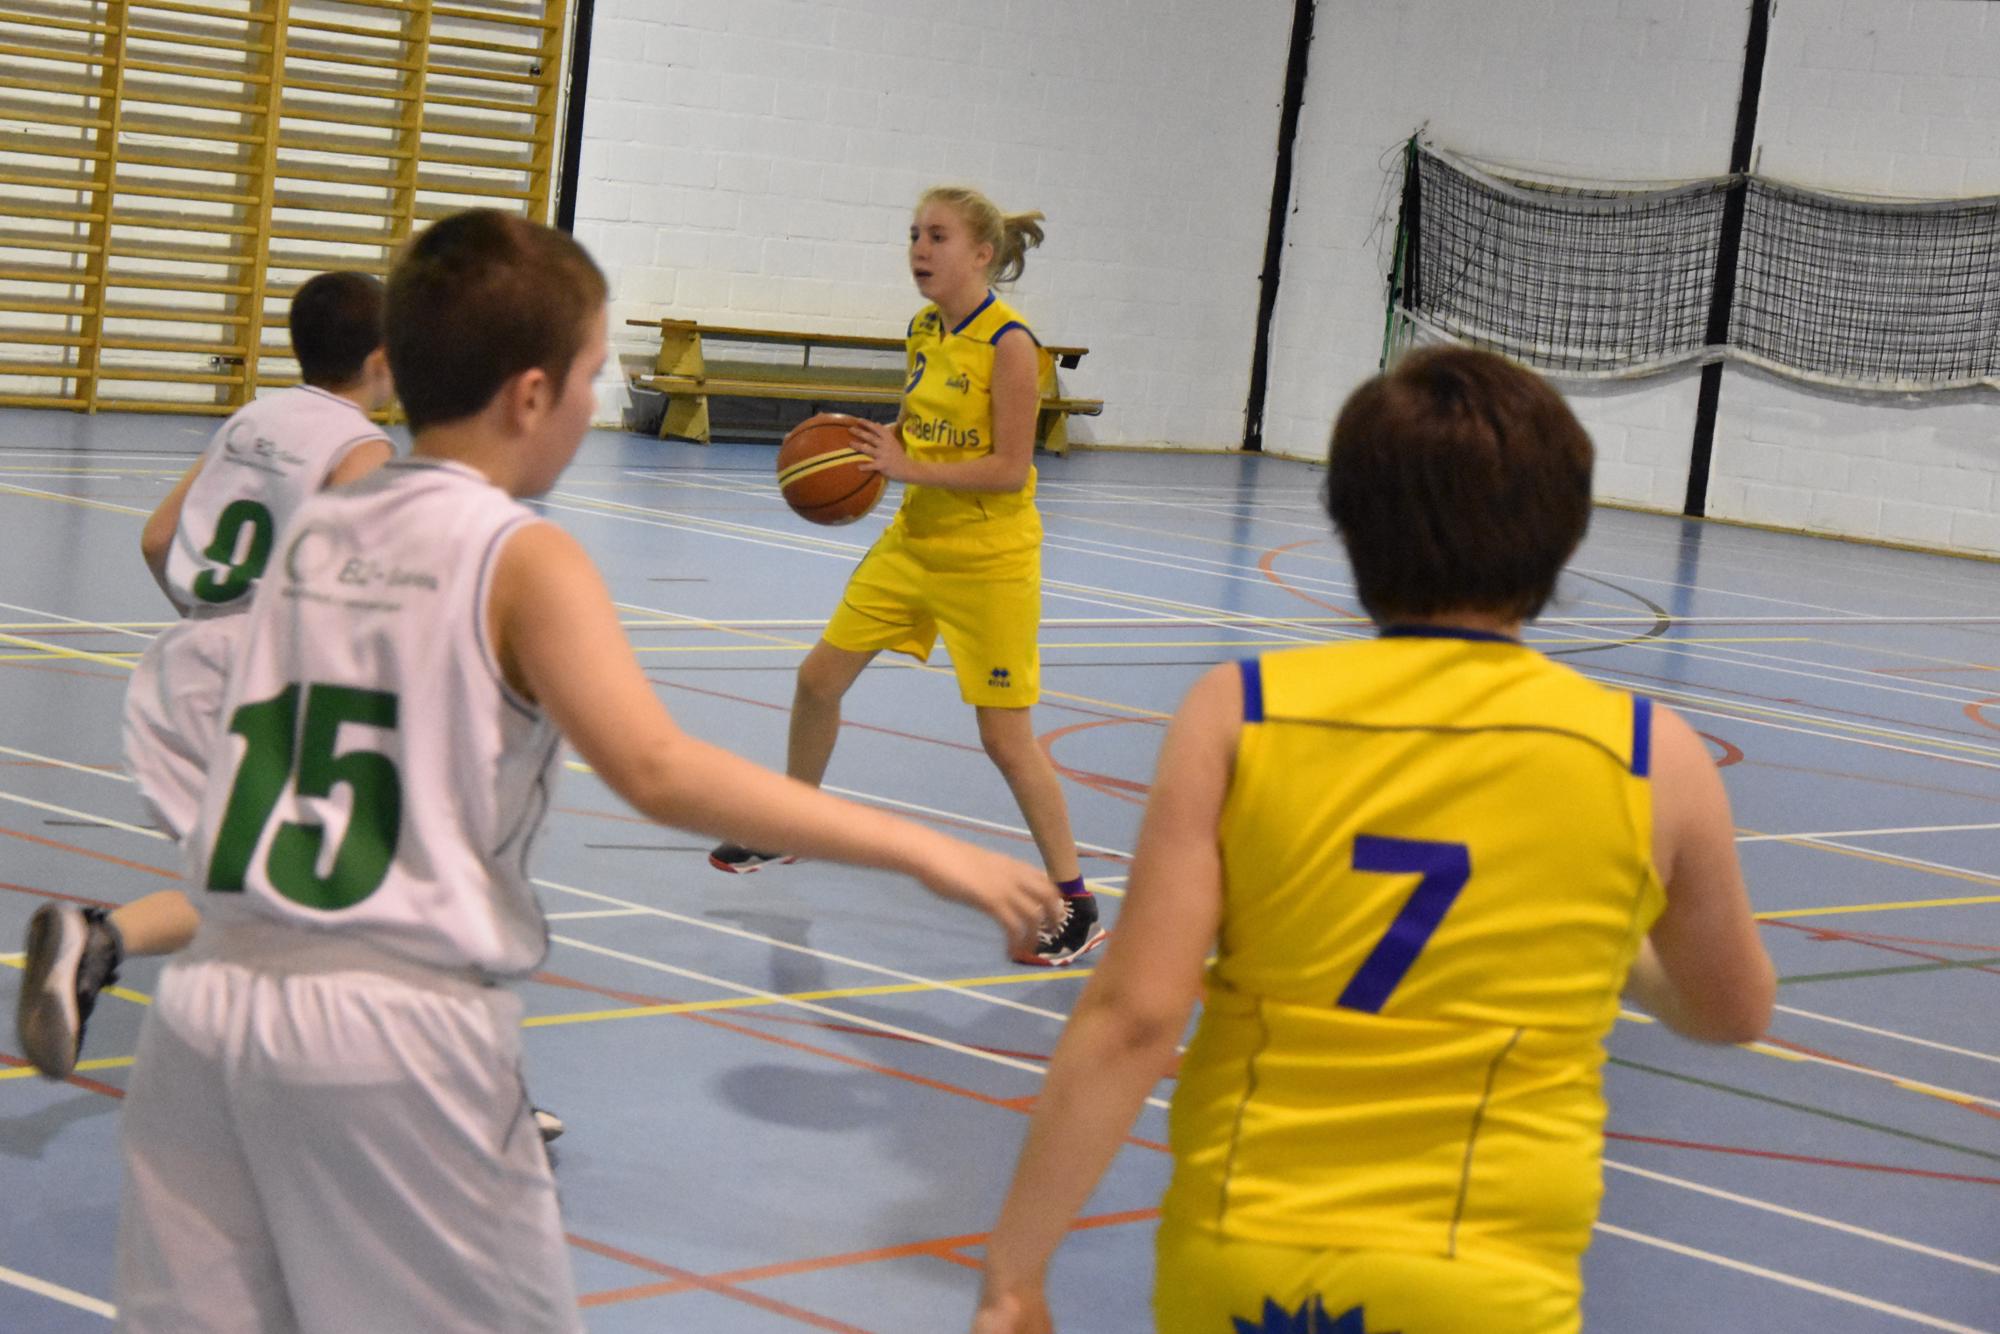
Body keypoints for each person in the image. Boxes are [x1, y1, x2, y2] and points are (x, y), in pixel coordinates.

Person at [109, 208, 1059, 1334]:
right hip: (388, 1023)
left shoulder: (321, 528)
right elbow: (655, 767)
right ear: (530, 395)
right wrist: (925, 848)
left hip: (204, 1013)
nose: (595, 398)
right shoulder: (519, 555)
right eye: (592, 374)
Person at [969, 347, 1777, 1334]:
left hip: (1254, 1264)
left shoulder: (1240, 712)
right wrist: (1624, 954)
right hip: (1487, 1280)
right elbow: (1732, 1009)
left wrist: (1015, 1270)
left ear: (1349, 524)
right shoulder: (1652, 754)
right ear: (1564, 531)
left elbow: (1136, 1015)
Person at [15, 271, 394, 1081]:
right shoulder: (361, 449)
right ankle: (443, 1091)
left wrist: (215, 625)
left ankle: (103, 945)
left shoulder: (252, 419)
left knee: (259, 880)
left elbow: (159, 538)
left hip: (186, 665)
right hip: (274, 681)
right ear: (382, 360)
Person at [708, 185, 1100, 966]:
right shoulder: (924, 329)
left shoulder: (1012, 346)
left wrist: (906, 465)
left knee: (1005, 739)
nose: (920, 249)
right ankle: (790, 822)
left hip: (988, 559)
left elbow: (1009, 468)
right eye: (914, 234)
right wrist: (870, 445)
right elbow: (925, 426)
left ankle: (1076, 903)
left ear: (981, 254)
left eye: (937, 237)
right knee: (818, 679)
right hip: (914, 540)